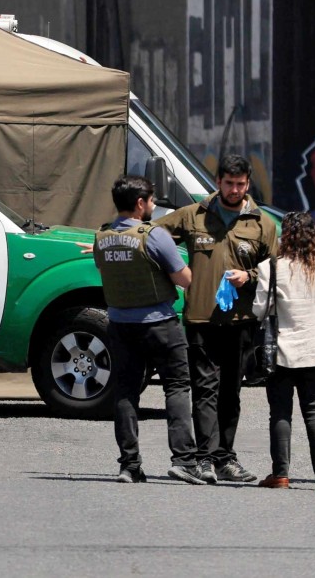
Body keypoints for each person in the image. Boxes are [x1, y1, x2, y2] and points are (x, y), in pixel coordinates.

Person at [155, 154, 276, 484]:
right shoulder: (194, 215)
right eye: (228, 183)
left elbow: (276, 268)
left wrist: (248, 275)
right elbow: (152, 236)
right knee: (204, 388)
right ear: (218, 182)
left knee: (231, 392)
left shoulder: (262, 224)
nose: (234, 190)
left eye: (240, 184)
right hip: (200, 319)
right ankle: (205, 459)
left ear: (248, 183)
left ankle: (225, 458)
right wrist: (115, 241)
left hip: (240, 322)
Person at [92, 176, 202, 484]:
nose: (153, 206)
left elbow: (108, 270)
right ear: (140, 203)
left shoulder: (102, 237)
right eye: (152, 201)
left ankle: (129, 464)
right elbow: (184, 279)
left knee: (126, 391)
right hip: (160, 324)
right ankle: (183, 460)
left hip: (120, 325)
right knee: (177, 387)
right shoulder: (153, 236)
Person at [253, 212, 315, 491]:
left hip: (282, 350)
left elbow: (260, 310)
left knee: (280, 412)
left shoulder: (271, 267)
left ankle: (280, 475)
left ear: (285, 237)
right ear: (314, 236)